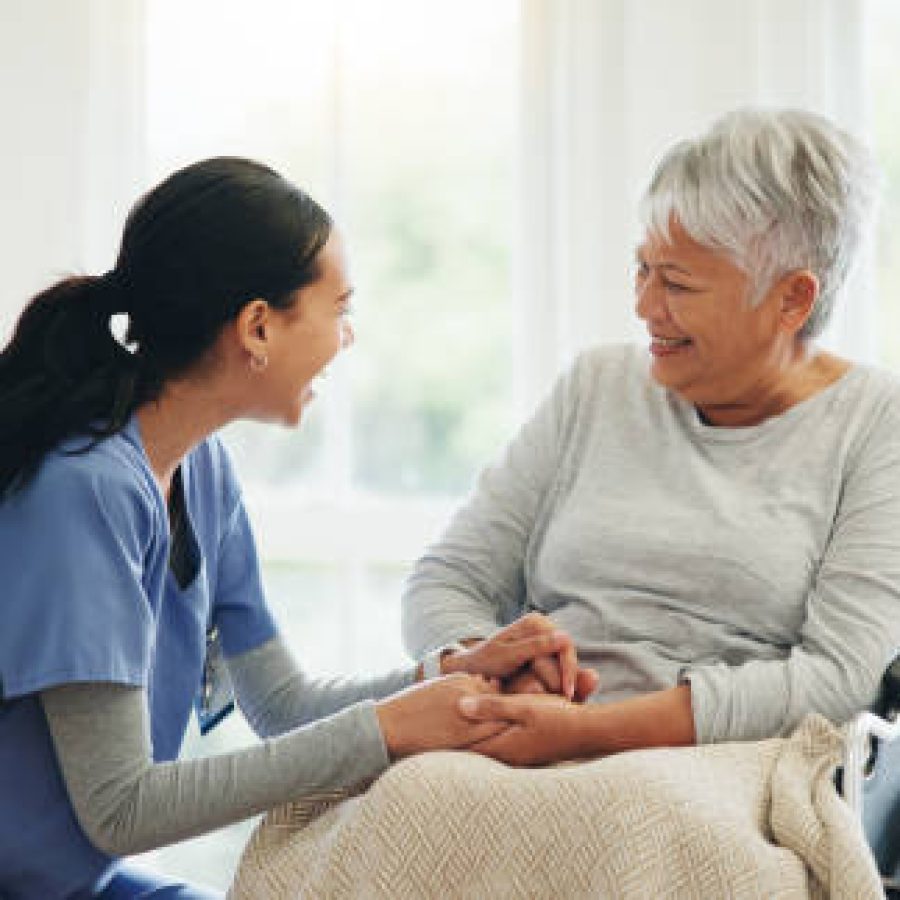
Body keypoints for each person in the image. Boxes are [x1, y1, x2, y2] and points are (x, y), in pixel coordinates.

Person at [0, 158, 586, 900]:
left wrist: (450, 674)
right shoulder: (82, 490)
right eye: (338, 308)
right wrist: (393, 728)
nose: (347, 337)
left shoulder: (201, 470)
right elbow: (121, 808)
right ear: (257, 326)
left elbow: (280, 704)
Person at [402, 107, 900, 766]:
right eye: (643, 269)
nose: (644, 306)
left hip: (725, 773)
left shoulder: (876, 425)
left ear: (792, 300)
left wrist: (590, 732)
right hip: (517, 742)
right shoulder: (595, 386)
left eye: (678, 284)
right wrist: (490, 666)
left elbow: (838, 679)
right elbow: (447, 579)